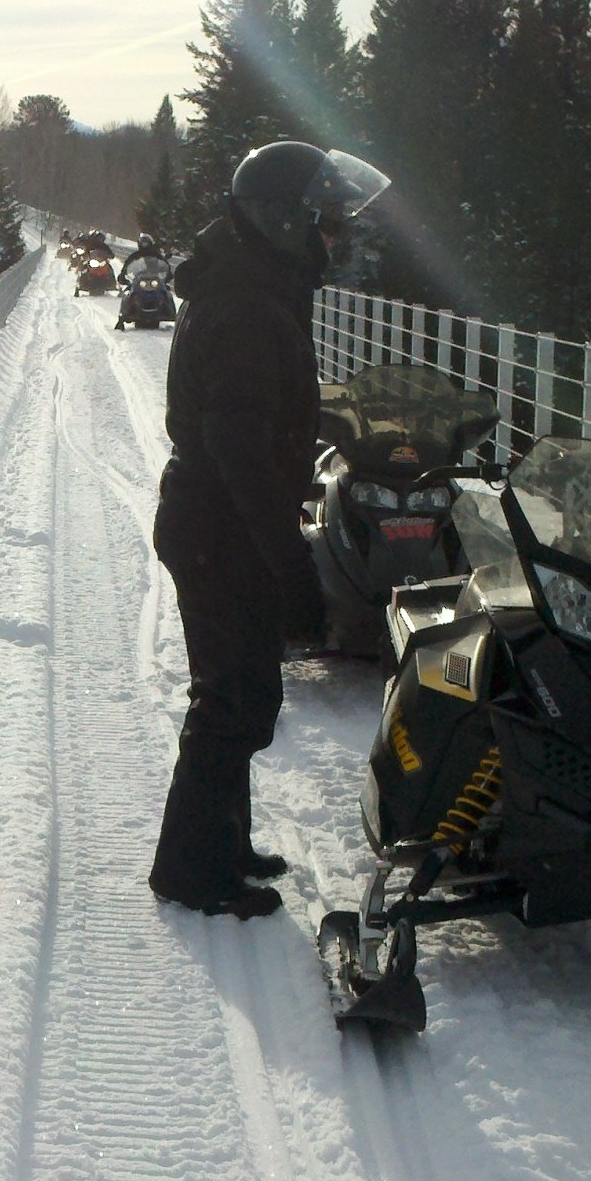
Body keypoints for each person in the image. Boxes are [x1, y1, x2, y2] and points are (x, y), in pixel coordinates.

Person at [149, 142, 389, 918]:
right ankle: (191, 872)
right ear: (282, 223)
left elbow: (259, 422)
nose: (331, 238)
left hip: (216, 519)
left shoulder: (256, 286)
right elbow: (238, 447)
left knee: (245, 693)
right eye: (322, 224)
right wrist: (287, 563)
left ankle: (223, 843)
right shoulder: (251, 307)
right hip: (222, 524)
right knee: (231, 699)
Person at [114, 233, 173, 329]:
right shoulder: (134, 256)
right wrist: (124, 276)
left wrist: (167, 275)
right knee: (128, 294)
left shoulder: (157, 256)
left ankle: (170, 312)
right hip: (138, 280)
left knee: (166, 293)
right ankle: (123, 315)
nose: (145, 245)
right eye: (143, 243)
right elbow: (127, 267)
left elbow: (165, 266)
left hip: (155, 280)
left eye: (146, 243)